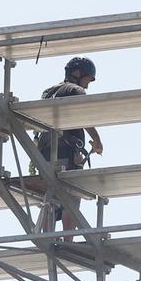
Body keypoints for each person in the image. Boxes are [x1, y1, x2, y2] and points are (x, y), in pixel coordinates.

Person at [35, 57, 102, 234]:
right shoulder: (75, 90)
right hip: (66, 151)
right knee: (71, 198)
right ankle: (68, 241)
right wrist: (97, 141)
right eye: (88, 79)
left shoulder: (48, 92)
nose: (88, 85)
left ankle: (47, 239)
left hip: (44, 154)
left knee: (49, 198)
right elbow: (84, 115)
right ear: (78, 74)